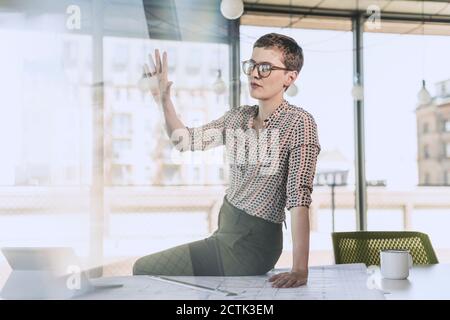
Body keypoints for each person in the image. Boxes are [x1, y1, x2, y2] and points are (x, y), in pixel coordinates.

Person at [133, 33, 321, 288]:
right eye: (252, 65)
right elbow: (185, 141)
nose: (254, 73)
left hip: (253, 245)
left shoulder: (300, 123)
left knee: (143, 268)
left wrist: (300, 269)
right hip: (225, 235)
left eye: (265, 68)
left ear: (290, 77)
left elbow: (299, 196)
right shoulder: (237, 118)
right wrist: (164, 101)